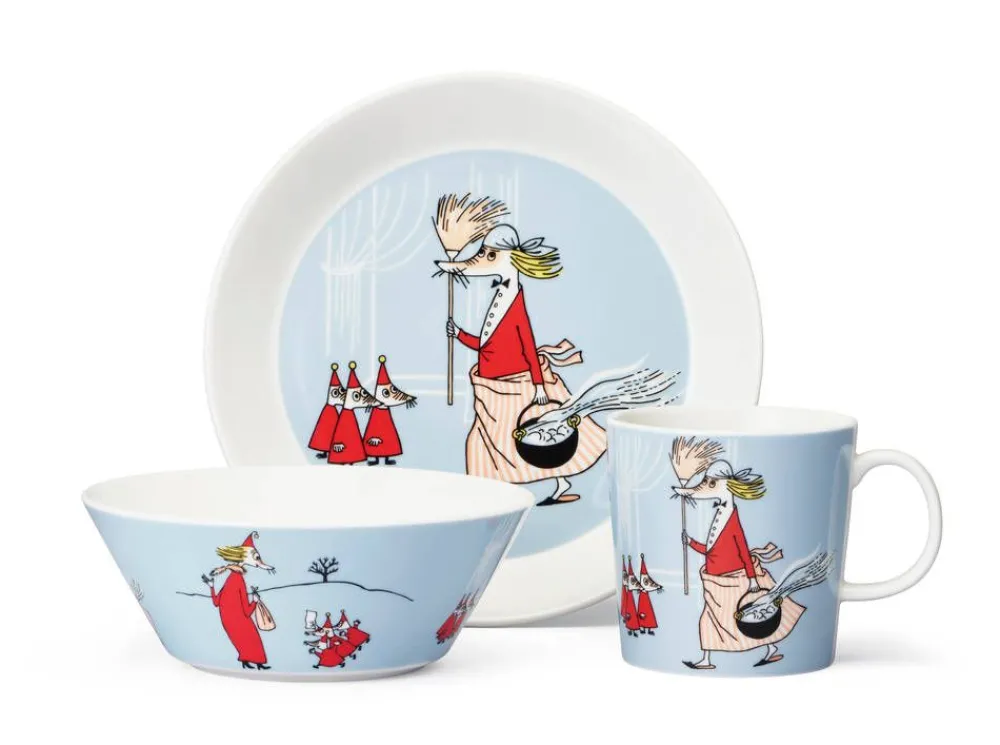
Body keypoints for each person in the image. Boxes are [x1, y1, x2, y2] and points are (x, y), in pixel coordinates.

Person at [436, 224, 606, 505]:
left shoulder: (514, 304)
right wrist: (460, 334)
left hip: (514, 385)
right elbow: (488, 344)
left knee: (525, 439)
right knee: (485, 444)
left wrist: (538, 385)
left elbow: (527, 346)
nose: (482, 260)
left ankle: (503, 494)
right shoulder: (502, 296)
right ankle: (488, 497)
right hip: (491, 385)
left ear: (510, 259)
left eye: (491, 256)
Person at [203, 532, 274, 670]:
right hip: (239, 619)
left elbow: (216, 602)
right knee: (252, 638)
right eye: (256, 558)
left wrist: (211, 587)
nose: (259, 562)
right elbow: (246, 611)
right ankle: (258, 663)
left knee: (241, 639)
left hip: (227, 620)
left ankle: (245, 661)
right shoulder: (238, 580)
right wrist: (255, 601)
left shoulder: (230, 579)